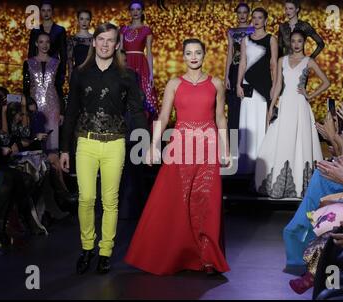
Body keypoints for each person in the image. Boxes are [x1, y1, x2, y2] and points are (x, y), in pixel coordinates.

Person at [125, 38, 231, 276]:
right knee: (177, 200)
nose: (193, 57)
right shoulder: (174, 83)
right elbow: (163, 117)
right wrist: (153, 145)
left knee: (207, 201)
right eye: (189, 53)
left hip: (208, 145)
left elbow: (221, 118)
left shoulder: (216, 83)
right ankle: (176, 255)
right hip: (180, 145)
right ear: (183, 56)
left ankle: (208, 259)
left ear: (204, 55)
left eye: (198, 53)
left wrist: (226, 149)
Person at [60, 23, 148, 275]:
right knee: (86, 198)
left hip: (115, 144)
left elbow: (136, 110)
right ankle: (87, 248)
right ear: (94, 42)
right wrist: (64, 149)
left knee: (110, 201)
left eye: (110, 40)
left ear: (117, 44)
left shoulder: (127, 75)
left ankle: (105, 251)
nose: (105, 44)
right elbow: (72, 111)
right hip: (85, 143)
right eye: (101, 39)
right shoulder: (79, 73)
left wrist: (146, 143)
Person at [255, 30, 329, 199]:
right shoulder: (282, 61)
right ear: (290, 43)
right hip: (285, 104)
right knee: (281, 140)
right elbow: (278, 86)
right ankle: (278, 184)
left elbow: (326, 82)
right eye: (294, 41)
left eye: (300, 41)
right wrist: (271, 107)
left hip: (300, 106)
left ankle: (299, 185)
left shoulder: (308, 61)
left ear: (304, 43)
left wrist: (309, 95)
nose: (296, 44)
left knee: (300, 142)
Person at [236, 7, 278, 174]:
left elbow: (274, 65)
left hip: (263, 85)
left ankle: (261, 164)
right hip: (247, 85)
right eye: (254, 17)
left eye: (260, 17)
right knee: (247, 121)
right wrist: (238, 83)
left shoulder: (271, 39)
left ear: (265, 20)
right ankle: (246, 162)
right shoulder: (245, 40)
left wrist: (275, 86)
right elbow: (243, 63)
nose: (256, 20)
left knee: (261, 122)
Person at [120, 0, 159, 123]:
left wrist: (151, 74)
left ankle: (143, 127)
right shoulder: (123, 29)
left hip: (141, 65)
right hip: (126, 64)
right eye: (132, 9)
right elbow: (120, 50)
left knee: (142, 95)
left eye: (138, 9)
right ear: (129, 12)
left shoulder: (146, 30)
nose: (135, 12)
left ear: (142, 12)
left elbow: (149, 52)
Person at [224, 3, 254, 139]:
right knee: (234, 108)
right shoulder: (231, 31)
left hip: (250, 71)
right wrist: (226, 76)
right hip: (235, 71)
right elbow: (230, 53)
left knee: (248, 107)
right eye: (239, 12)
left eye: (244, 12)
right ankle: (234, 144)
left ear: (248, 14)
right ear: (236, 14)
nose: (242, 15)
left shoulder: (254, 30)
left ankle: (248, 143)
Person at [28, 0, 67, 87]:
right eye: (43, 10)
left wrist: (62, 75)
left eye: (48, 10)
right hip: (38, 69)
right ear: (40, 12)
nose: (46, 13)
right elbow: (31, 52)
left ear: (52, 11)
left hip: (54, 69)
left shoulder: (60, 30)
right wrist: (32, 71)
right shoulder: (35, 31)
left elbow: (63, 54)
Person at [67, 9, 93, 80]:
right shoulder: (72, 39)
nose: (84, 22)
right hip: (78, 74)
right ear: (78, 20)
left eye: (87, 19)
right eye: (81, 19)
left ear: (90, 21)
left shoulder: (95, 39)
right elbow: (70, 61)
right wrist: (70, 78)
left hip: (93, 75)